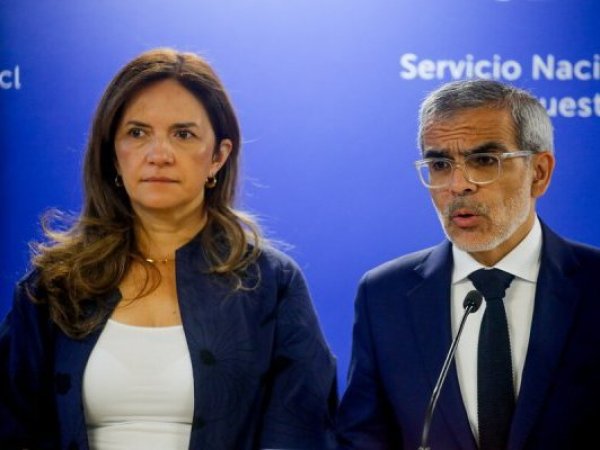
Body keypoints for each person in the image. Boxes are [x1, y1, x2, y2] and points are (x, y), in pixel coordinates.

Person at [0, 47, 337, 450]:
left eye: (183, 135)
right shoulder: (54, 287)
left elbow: (299, 432)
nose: (158, 155)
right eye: (137, 133)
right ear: (112, 154)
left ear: (218, 157)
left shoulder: (271, 283)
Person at [336, 79, 600, 449]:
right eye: (440, 164)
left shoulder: (593, 283)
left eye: (484, 161)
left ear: (538, 173)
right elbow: (363, 437)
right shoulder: (384, 294)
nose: (458, 184)